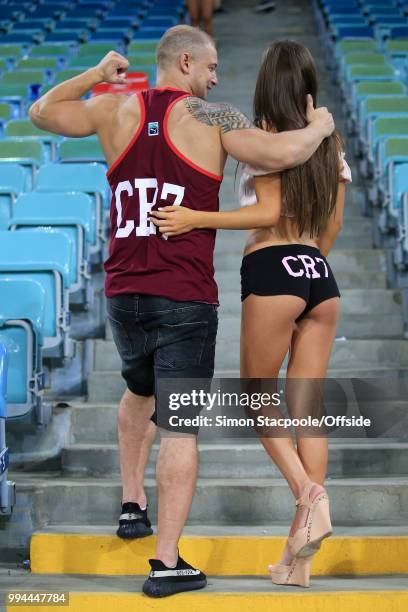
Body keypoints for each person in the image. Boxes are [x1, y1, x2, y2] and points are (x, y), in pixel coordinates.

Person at [29, 27, 334, 597]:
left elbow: (43, 112)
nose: (218, 78)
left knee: (137, 391)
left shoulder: (113, 109)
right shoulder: (212, 119)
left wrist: (94, 74)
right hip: (184, 298)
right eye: (213, 67)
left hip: (122, 296)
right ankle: (166, 563)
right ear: (187, 62)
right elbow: (285, 153)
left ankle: (131, 504)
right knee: (179, 429)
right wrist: (319, 126)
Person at [150, 40, 351, 588]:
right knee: (307, 410)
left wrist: (196, 217)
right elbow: (331, 228)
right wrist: (307, 266)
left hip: (273, 268)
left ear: (268, 84)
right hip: (320, 277)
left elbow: (265, 211)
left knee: (256, 399)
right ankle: (298, 561)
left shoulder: (265, 130)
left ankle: (310, 496)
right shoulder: (330, 140)